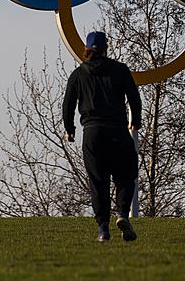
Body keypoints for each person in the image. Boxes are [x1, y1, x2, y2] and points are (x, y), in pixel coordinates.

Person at [63, 31, 142, 242]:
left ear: (87, 50)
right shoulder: (120, 70)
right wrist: (136, 120)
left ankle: (103, 229)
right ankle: (123, 214)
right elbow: (134, 96)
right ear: (106, 48)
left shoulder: (78, 74)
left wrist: (69, 128)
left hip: (92, 133)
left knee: (98, 181)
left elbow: (68, 103)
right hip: (117, 131)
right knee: (126, 174)